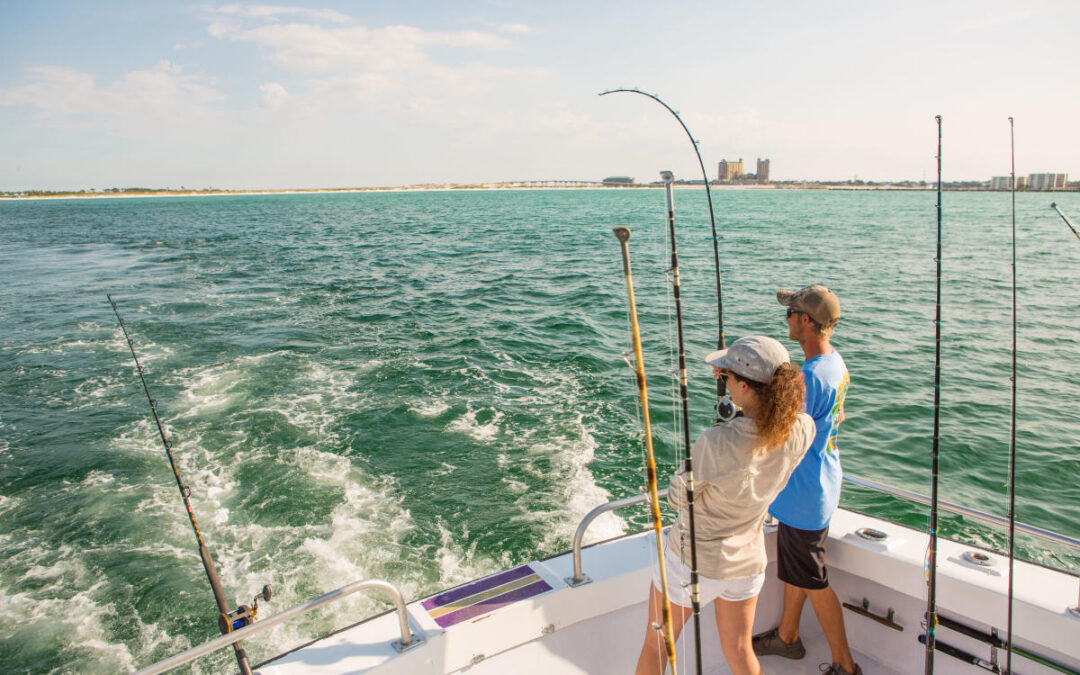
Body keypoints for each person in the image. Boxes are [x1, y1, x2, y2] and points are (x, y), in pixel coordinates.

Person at [636, 335, 816, 675]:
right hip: (747, 565)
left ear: (746, 387)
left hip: (692, 564)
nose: (724, 381)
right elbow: (771, 423)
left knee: (657, 645)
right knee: (739, 649)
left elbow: (677, 497)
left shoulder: (715, 443)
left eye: (728, 377)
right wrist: (737, 386)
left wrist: (730, 420)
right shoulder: (801, 430)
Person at [751, 284, 859, 675]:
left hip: (804, 496)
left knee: (815, 581)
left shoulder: (809, 378)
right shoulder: (835, 364)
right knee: (798, 567)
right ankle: (788, 636)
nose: (787, 319)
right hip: (821, 484)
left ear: (807, 322)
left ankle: (845, 665)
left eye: (791, 312)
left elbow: (778, 435)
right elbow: (824, 419)